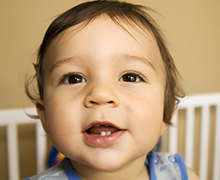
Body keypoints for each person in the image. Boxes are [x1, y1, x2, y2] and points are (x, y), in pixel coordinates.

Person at [23, 0, 199, 179]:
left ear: (166, 112)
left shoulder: (181, 175)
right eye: (74, 79)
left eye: (130, 77)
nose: (101, 94)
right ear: (44, 115)